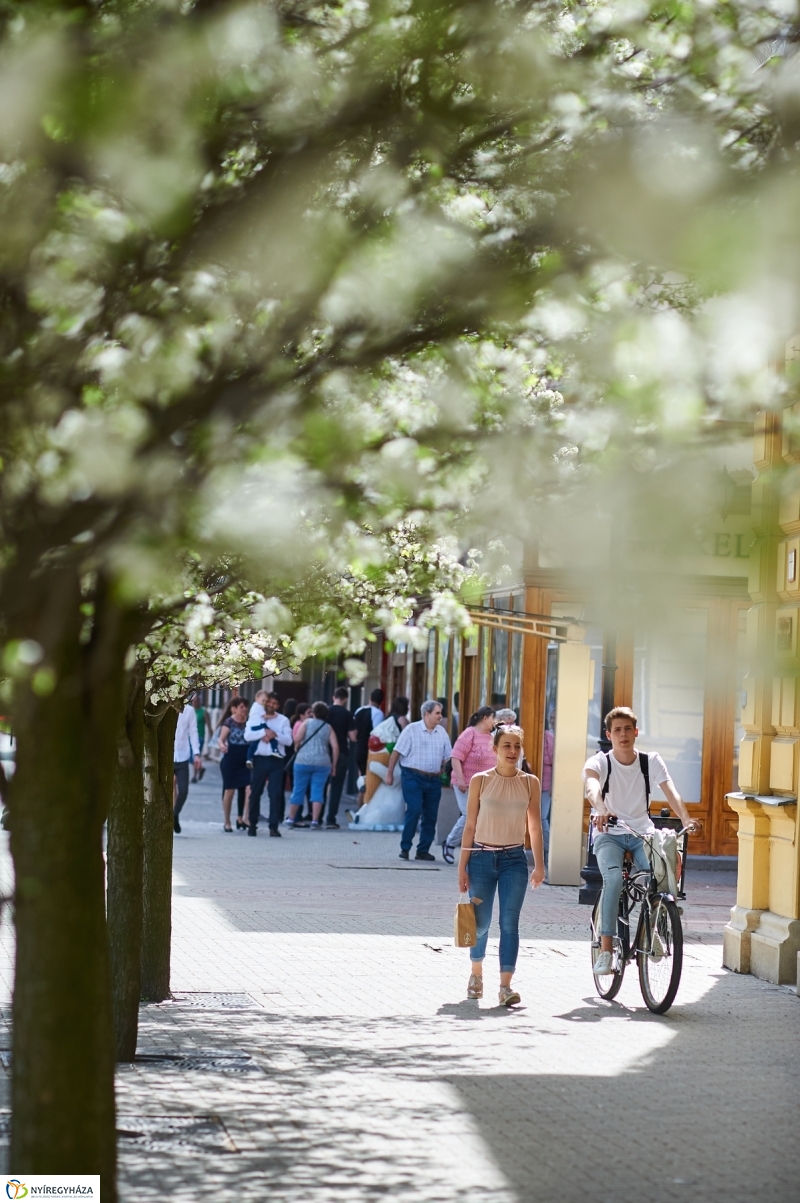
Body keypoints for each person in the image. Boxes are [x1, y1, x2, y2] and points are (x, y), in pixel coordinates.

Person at [583, 706, 700, 976]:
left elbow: (671, 791)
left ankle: (652, 931)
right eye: (617, 730)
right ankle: (606, 950)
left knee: (656, 878)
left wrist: (685, 819)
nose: (622, 735)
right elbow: (592, 787)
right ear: (608, 735)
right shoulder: (600, 761)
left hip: (641, 833)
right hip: (609, 834)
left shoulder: (651, 761)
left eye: (627, 729)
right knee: (613, 880)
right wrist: (600, 808)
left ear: (636, 732)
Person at [458, 724, 545, 1006]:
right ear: (494, 749)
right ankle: (476, 973)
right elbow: (469, 825)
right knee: (480, 924)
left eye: (516, 746)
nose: (512, 751)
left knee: (509, 923)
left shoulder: (529, 782)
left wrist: (539, 865)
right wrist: (462, 866)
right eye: (506, 746)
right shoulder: (480, 781)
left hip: (514, 861)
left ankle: (505, 987)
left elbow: (535, 827)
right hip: (481, 859)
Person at [386, 699, 452, 861]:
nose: (440, 716)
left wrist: (449, 773)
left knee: (430, 815)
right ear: (426, 714)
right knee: (414, 810)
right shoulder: (411, 730)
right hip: (412, 776)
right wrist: (389, 774)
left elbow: (448, 757)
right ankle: (405, 847)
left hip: (433, 779)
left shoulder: (442, 733)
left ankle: (422, 850)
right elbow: (396, 753)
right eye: (437, 713)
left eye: (440, 713)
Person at [442, 706, 496, 863]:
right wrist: (460, 779)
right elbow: (456, 757)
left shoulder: (490, 737)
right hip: (465, 784)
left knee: (481, 817)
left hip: (484, 786)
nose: (494, 722)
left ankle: (475, 851)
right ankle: (450, 843)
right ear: (485, 718)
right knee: (468, 815)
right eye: (493, 718)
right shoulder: (469, 734)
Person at [244, 691, 293, 837]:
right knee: (255, 792)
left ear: (278, 705)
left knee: (275, 793)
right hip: (259, 759)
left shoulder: (283, 720)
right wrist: (264, 734)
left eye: (274, 703)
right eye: (269, 702)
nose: (271, 705)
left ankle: (274, 826)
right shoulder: (256, 716)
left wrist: (275, 735)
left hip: (276, 760)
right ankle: (252, 824)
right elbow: (247, 735)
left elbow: (289, 740)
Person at [286, 702, 339, 829]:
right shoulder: (328, 727)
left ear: (313, 713)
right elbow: (336, 747)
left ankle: (291, 818)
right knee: (318, 791)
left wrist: (297, 747)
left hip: (303, 761)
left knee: (298, 790)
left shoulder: (306, 723)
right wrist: (334, 765)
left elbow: (297, 738)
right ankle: (315, 821)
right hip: (323, 762)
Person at [323, 687, 356, 829]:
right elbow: (353, 737)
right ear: (346, 699)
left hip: (324, 752)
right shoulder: (347, 714)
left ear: (333, 697)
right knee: (336, 788)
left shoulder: (325, 712)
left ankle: (316, 817)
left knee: (321, 786)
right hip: (341, 753)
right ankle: (331, 819)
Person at [219, 697, 251, 832]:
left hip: (246, 760)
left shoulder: (250, 722)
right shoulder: (229, 722)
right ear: (235, 708)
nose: (244, 709)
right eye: (241, 707)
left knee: (249, 788)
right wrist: (222, 746)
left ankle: (245, 818)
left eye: (246, 707)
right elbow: (221, 739)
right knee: (229, 791)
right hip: (231, 759)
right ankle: (227, 821)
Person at [173, 702, 202, 834]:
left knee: (183, 790)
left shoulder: (189, 711)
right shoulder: (164, 706)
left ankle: (175, 813)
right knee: (170, 786)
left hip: (182, 755)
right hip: (166, 755)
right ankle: (169, 818)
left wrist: (196, 753)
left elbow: (193, 731)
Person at [541, 725, 554, 866]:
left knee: (541, 818)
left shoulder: (548, 737)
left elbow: (554, 760)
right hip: (526, 783)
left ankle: (547, 850)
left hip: (545, 783)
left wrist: (552, 785)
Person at [191, 694, 207, 782]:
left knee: (195, 756)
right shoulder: (190, 711)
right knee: (190, 757)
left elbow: (209, 724)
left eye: (196, 701)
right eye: (193, 701)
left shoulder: (203, 712)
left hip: (200, 736)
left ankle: (194, 776)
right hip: (190, 737)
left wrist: (212, 737)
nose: (195, 703)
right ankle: (200, 768)